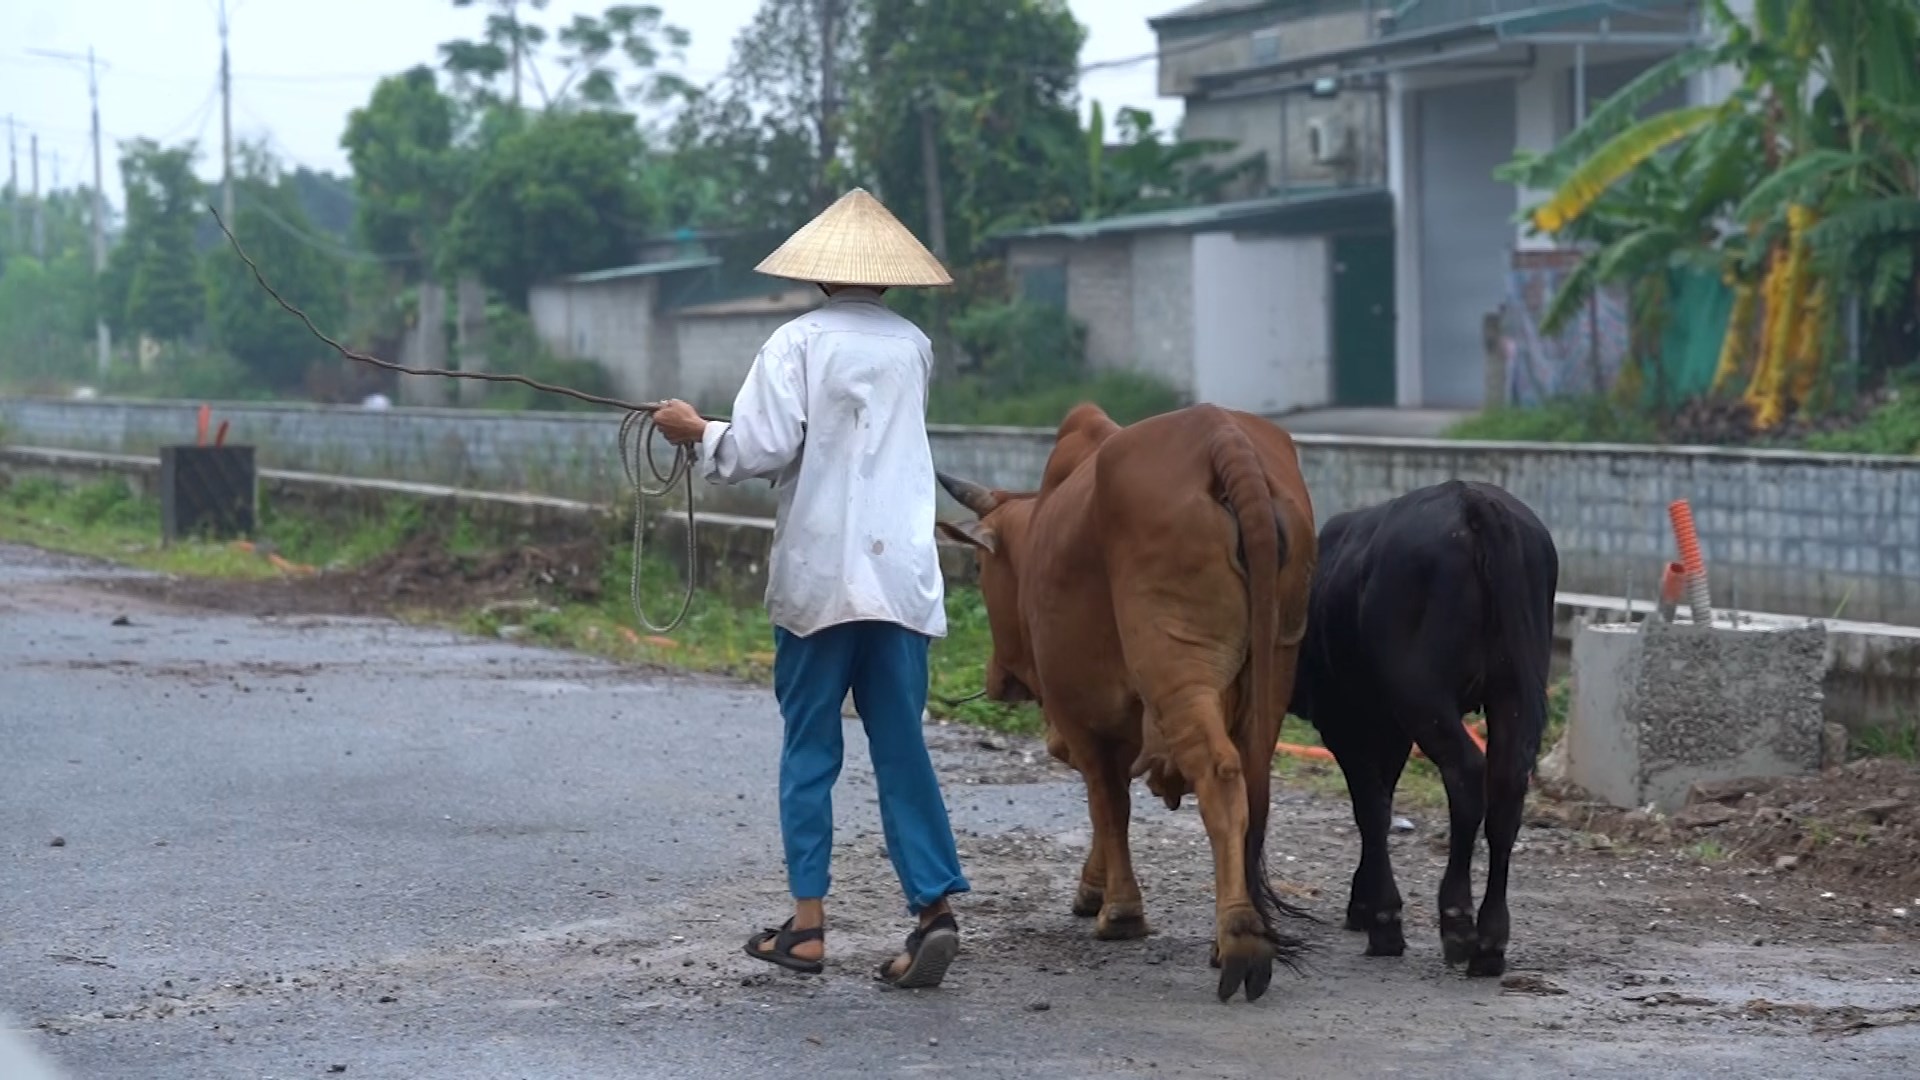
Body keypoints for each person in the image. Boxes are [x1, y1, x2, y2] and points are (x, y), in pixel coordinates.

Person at [651, 188, 971, 989]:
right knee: (901, 748)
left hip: (819, 580)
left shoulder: (794, 342)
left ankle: (808, 927)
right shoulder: (913, 348)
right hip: (898, 579)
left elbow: (761, 448)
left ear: (818, 277)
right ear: (890, 280)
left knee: (810, 749)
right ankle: (933, 908)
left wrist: (698, 434)